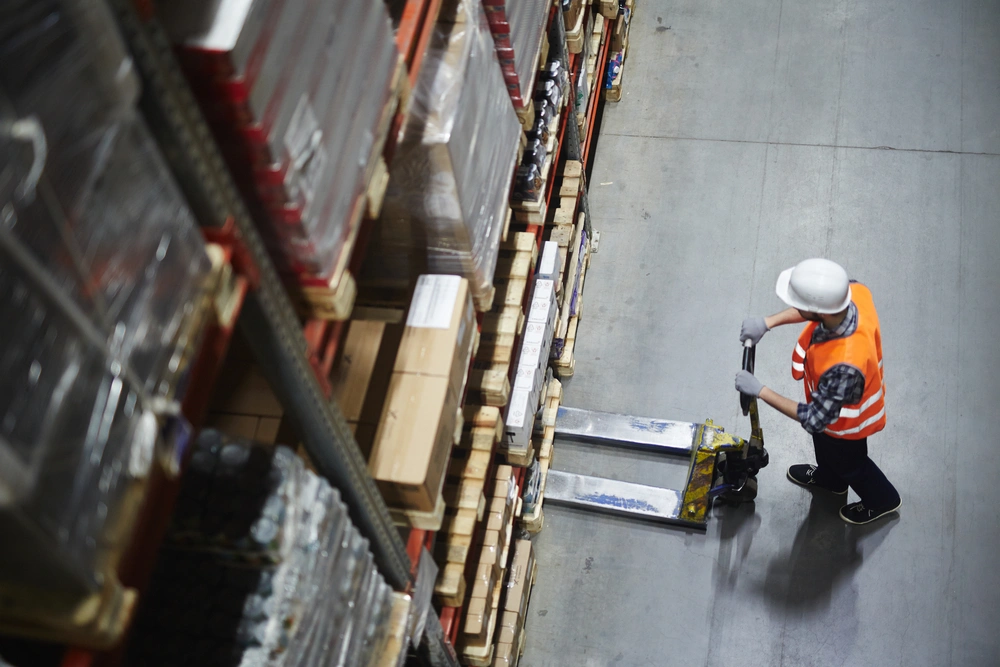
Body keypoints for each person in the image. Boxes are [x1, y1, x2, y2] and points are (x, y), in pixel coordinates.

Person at [735, 258, 901, 525]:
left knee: (851, 464)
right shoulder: (854, 291)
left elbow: (815, 418)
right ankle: (831, 480)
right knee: (825, 450)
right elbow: (813, 309)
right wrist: (768, 322)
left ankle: (882, 499)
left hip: (846, 425)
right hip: (829, 407)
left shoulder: (846, 362)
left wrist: (760, 390)